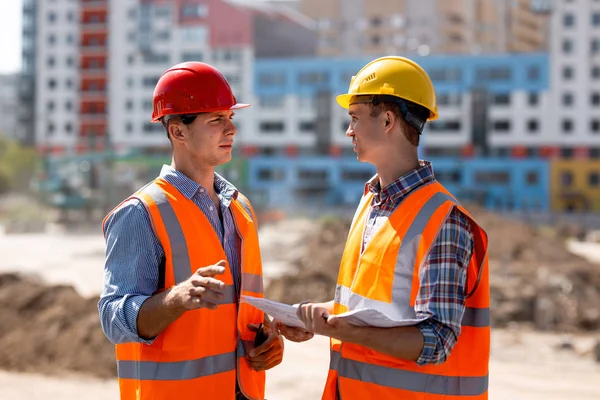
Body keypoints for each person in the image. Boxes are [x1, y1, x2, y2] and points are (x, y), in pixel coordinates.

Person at [98, 62, 305, 400]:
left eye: (230, 118)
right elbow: (113, 319)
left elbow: (232, 313)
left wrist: (267, 335)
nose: (231, 130)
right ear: (178, 131)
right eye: (215, 120)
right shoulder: (141, 214)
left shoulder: (240, 209)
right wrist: (177, 299)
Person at [289, 56, 490, 399]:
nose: (348, 131)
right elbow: (373, 309)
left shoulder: (444, 221)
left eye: (354, 118)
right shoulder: (371, 202)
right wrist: (313, 318)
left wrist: (349, 331)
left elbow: (438, 342)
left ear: (387, 120)